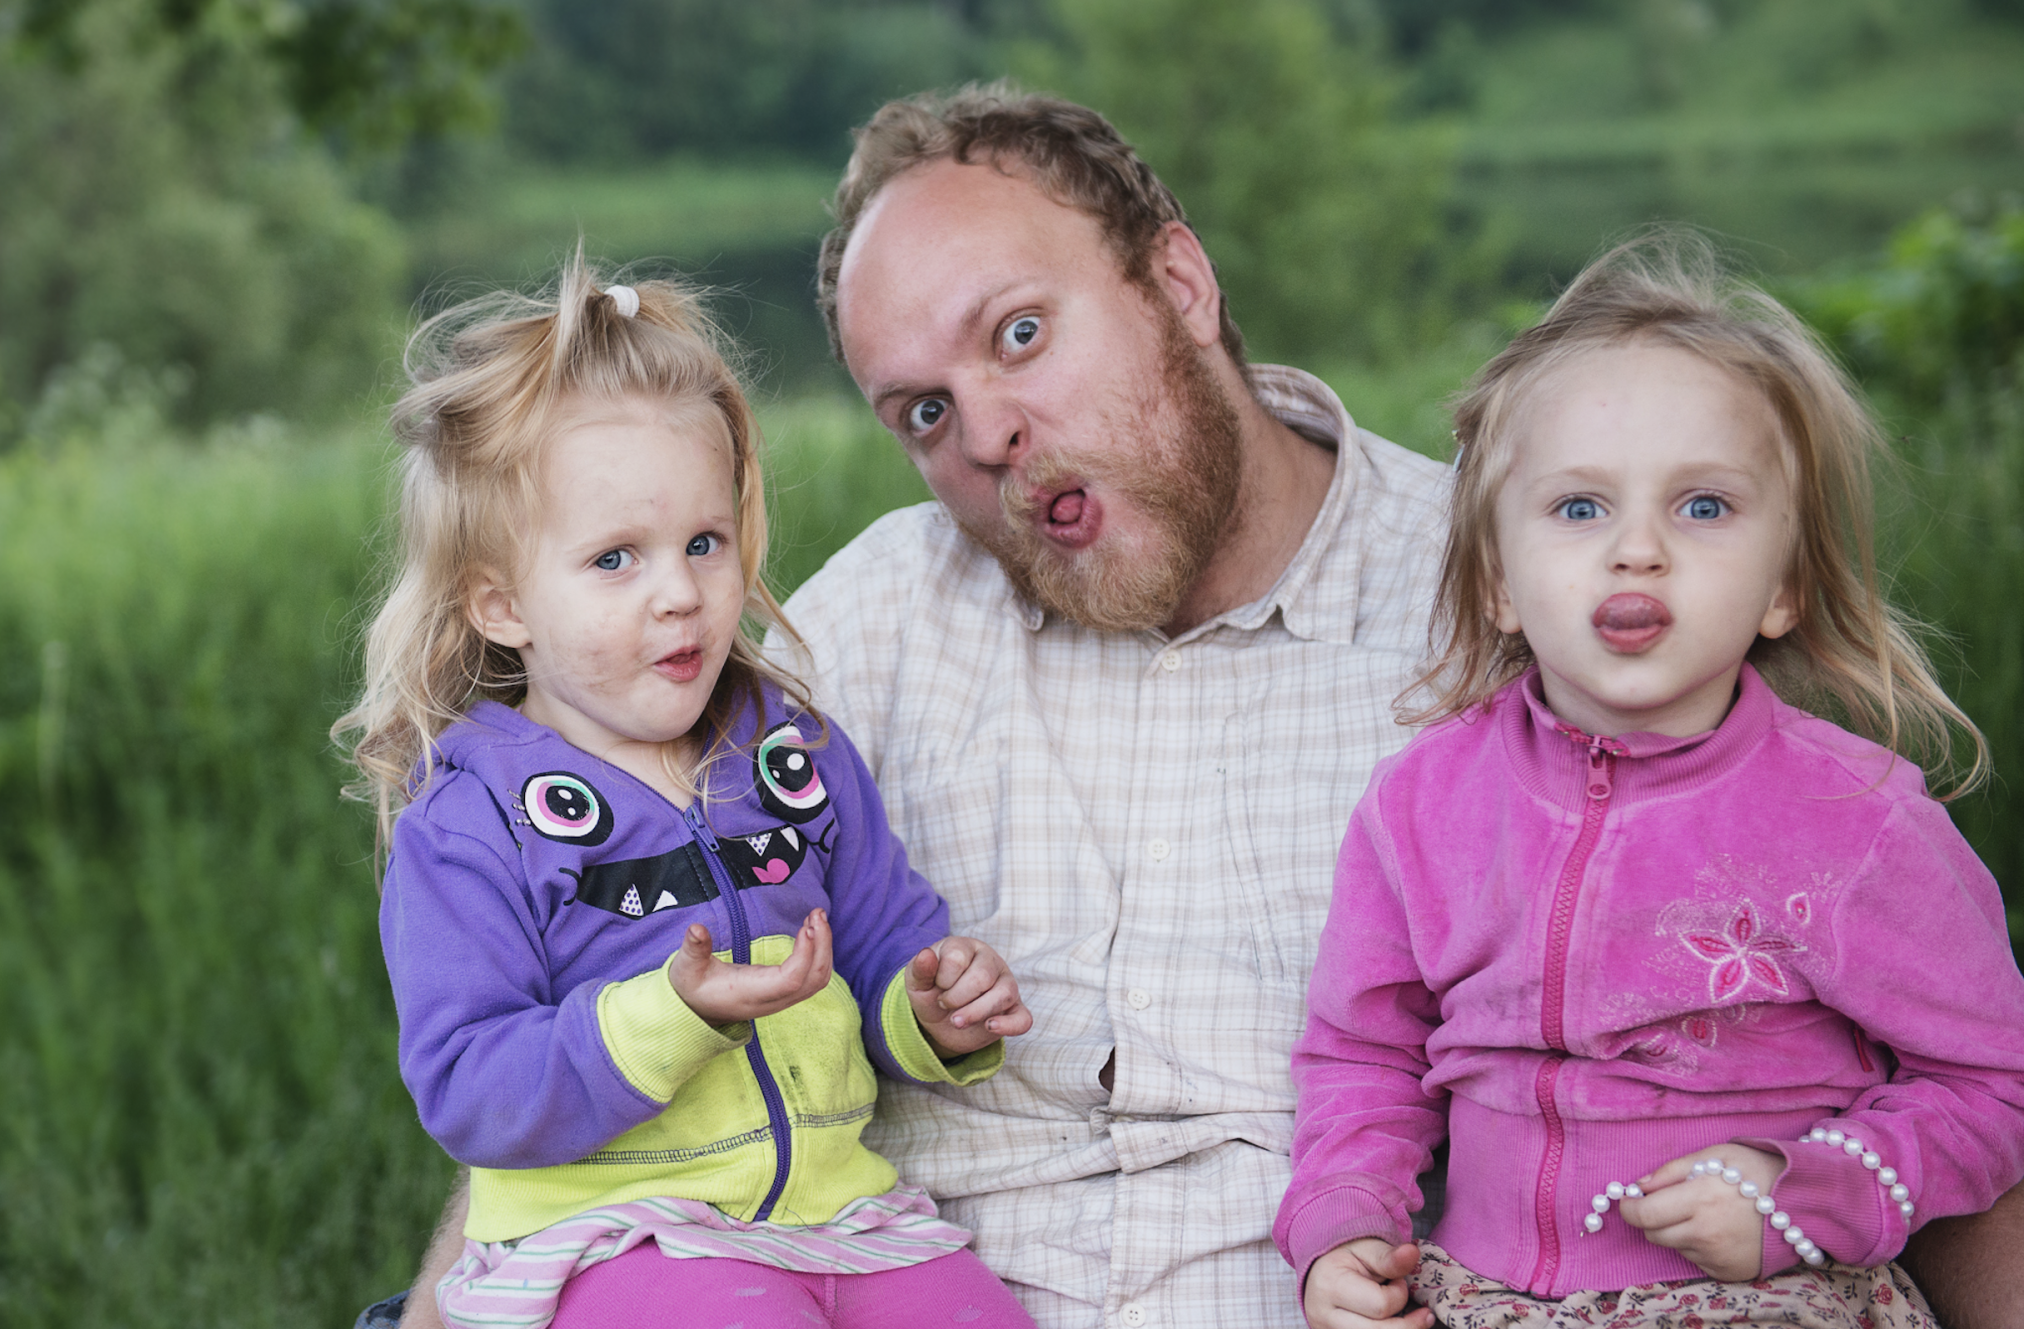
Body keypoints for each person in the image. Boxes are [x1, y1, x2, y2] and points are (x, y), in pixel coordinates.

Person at [361, 84, 2024, 1329]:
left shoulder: (1519, 598)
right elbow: (584, 989)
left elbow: (1854, 1002)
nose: (988, 434)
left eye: (1023, 335)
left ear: (1181, 280)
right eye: (924, 407)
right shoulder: (842, 628)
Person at [1279, 235, 2024, 1329]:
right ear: (1496, 580)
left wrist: (1804, 1195)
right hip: (1481, 1296)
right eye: (1579, 508)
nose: (1637, 549)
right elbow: (1361, 1053)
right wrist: (1339, 1225)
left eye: (1704, 507)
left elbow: (1993, 1079)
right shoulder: (1420, 807)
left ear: (1783, 586)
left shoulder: (1853, 819)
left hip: (1776, 1296)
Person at [335, 261, 1039, 1329]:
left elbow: (887, 936)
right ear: (502, 603)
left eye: (703, 542)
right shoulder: (474, 818)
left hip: (836, 1212)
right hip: (619, 1233)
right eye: (616, 558)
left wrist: (929, 1005)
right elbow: (470, 1080)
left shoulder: (790, 754)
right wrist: (670, 1014)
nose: (680, 591)